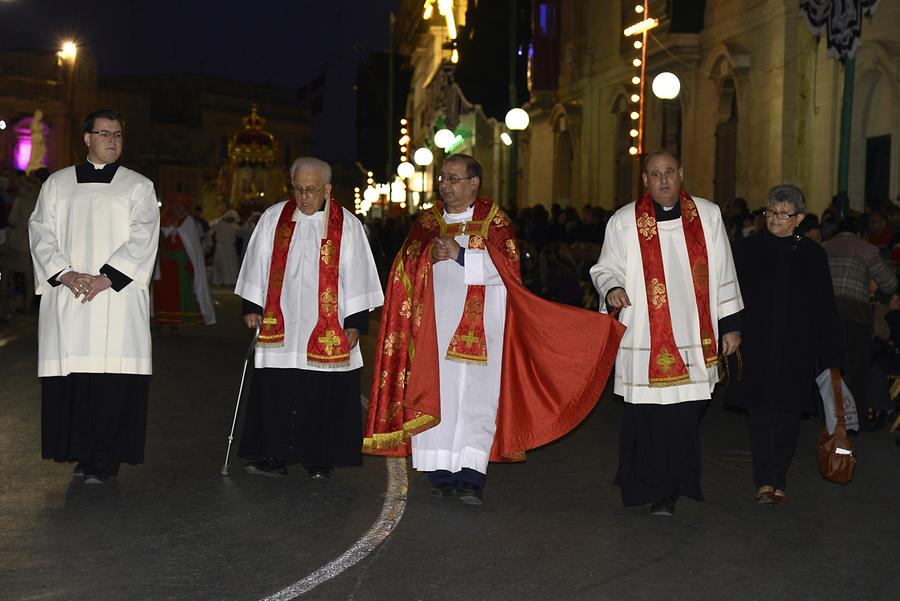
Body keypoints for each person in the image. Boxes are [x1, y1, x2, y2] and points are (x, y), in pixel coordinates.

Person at [364, 154, 624, 505]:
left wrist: (459, 255)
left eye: (454, 179)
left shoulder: (495, 221)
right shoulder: (427, 221)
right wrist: (427, 257)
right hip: (434, 328)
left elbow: (508, 268)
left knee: (476, 400)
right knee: (437, 393)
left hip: (483, 327)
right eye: (443, 178)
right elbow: (405, 264)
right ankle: (440, 470)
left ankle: (472, 475)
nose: (445, 185)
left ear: (474, 183)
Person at [590, 150, 743, 516]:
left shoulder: (707, 215)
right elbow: (604, 267)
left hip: (694, 334)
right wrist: (611, 287)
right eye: (654, 174)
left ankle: (674, 484)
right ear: (645, 180)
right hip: (644, 335)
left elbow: (724, 270)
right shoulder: (625, 221)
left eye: (669, 172)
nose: (662, 180)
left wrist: (731, 325)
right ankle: (650, 484)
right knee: (647, 417)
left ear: (681, 174)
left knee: (684, 416)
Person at [28, 108, 160, 484]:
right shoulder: (57, 184)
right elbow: (41, 232)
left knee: (112, 382)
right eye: (104, 134)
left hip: (116, 300)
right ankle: (80, 453)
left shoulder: (138, 186)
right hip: (69, 297)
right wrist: (66, 274)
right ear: (87, 138)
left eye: (117, 134)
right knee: (77, 380)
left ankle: (106, 459)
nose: (112, 141)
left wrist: (107, 277)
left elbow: (144, 234)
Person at [236, 157, 383, 479]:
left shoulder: (347, 225)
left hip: (327, 326)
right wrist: (252, 306)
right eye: (298, 189)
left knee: (323, 393)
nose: (303, 197)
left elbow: (359, 275)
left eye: (311, 190)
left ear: (327, 189)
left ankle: (320, 459)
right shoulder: (274, 218)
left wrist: (355, 322)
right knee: (277, 390)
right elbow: (256, 263)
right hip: (282, 325)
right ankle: (273, 456)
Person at [731, 185, 843, 504]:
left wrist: (832, 354)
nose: (776, 220)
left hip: (797, 348)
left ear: (799, 218)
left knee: (789, 415)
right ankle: (764, 480)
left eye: (784, 214)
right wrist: (731, 331)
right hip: (757, 345)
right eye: (771, 212)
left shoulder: (812, 253)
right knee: (760, 414)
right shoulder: (746, 250)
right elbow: (731, 297)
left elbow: (825, 307)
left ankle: (778, 477)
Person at [823, 218, 897, 430]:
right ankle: (856, 421)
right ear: (861, 234)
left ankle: (829, 418)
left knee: (829, 367)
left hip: (825, 315)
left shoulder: (824, 247)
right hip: (854, 314)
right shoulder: (867, 249)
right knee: (856, 368)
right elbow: (889, 282)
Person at [152, 192, 216, 329]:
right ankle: (161, 321)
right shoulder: (163, 219)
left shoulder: (188, 221)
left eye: (180, 206)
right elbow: (156, 239)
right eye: (174, 205)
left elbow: (192, 246)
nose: (177, 208)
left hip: (182, 264)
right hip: (164, 264)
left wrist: (190, 262)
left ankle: (176, 322)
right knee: (163, 292)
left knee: (181, 292)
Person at [4, 174, 41, 313]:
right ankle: (27, 304)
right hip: (31, 241)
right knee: (29, 276)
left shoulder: (19, 201)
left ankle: (3, 302)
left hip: (16, 241)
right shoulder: (38, 201)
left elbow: (12, 219)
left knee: (6, 272)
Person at [211, 209, 240, 286]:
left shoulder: (235, 226)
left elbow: (240, 233)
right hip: (221, 247)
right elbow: (212, 226)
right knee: (221, 264)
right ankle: (220, 280)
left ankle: (231, 281)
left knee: (231, 265)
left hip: (230, 247)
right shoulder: (219, 224)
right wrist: (221, 219)